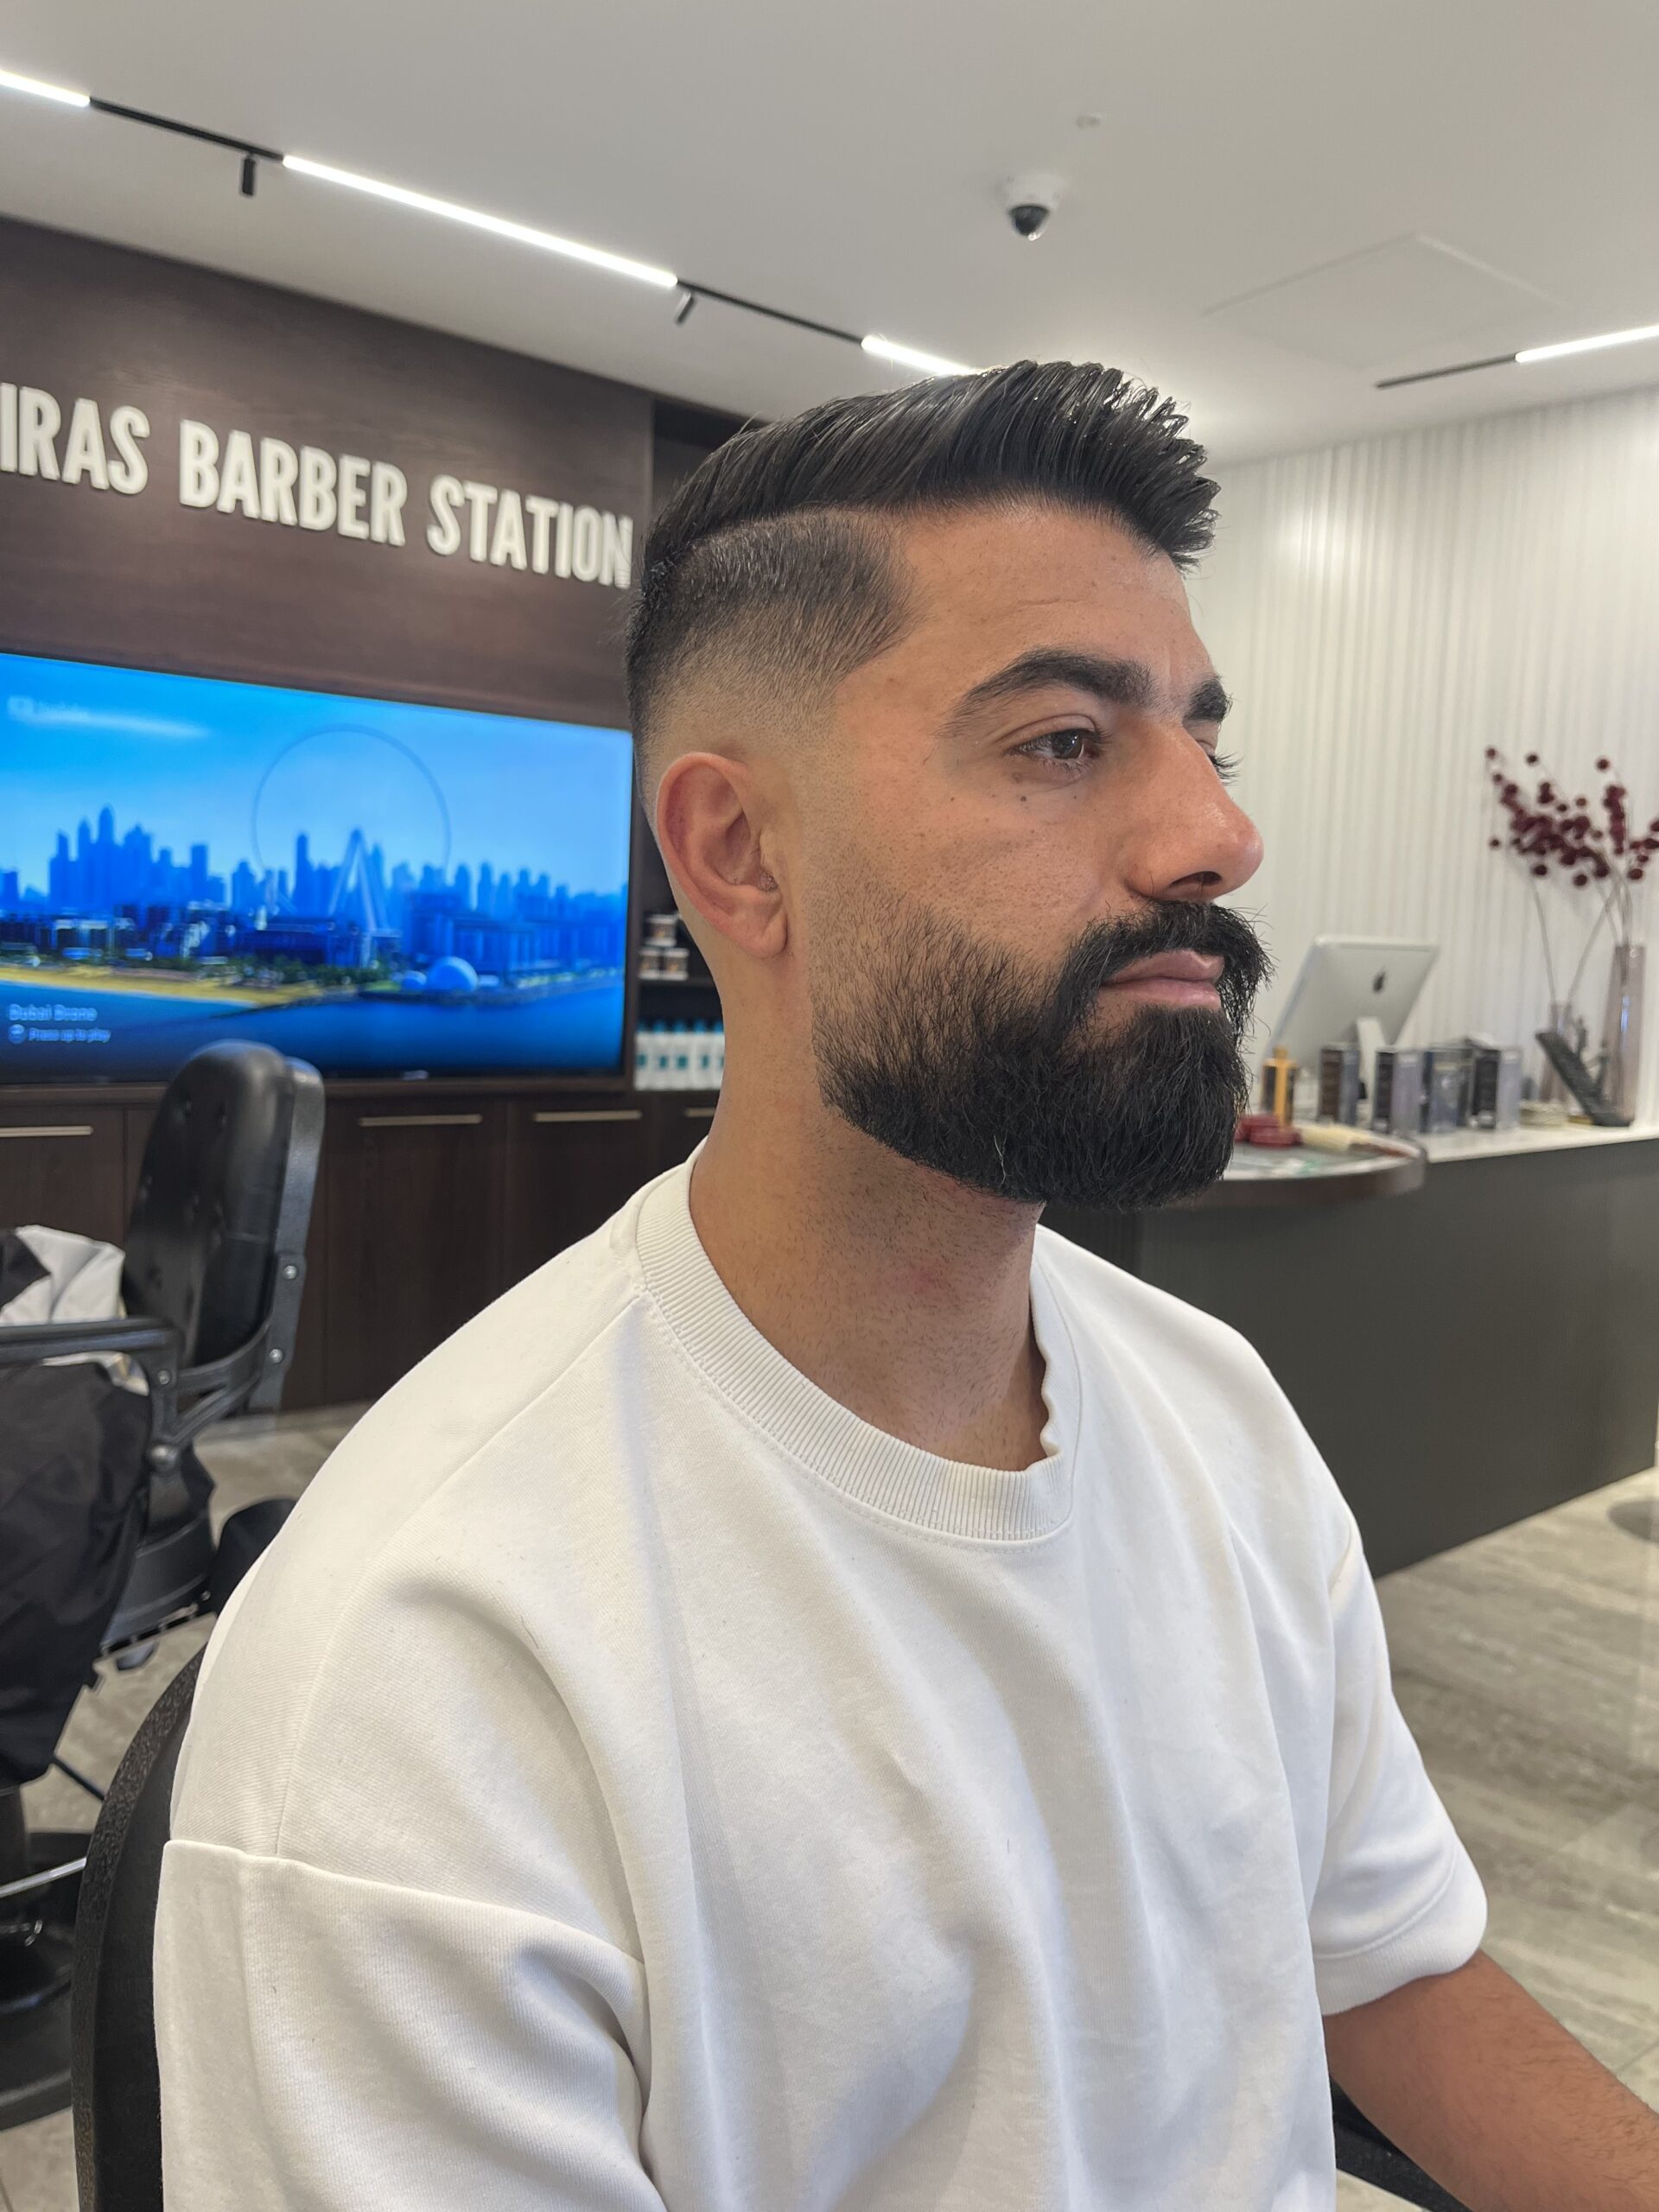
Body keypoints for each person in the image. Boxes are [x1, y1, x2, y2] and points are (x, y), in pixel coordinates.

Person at [154, 362, 1659, 2209]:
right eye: (1063, 743)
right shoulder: (429, 1676)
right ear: (740, 852)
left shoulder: (1219, 1415)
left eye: (1205, 740)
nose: (1218, 836)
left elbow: (1390, 1968)